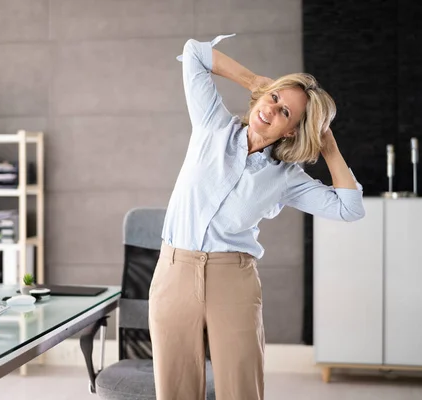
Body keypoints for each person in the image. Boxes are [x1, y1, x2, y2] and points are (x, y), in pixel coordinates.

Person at [148, 34, 365, 400]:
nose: (271, 109)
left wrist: (329, 147)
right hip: (174, 273)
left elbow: (350, 207)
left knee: (241, 391)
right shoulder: (212, 125)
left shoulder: (287, 178)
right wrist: (255, 82)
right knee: (175, 392)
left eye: (285, 112)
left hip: (233, 281)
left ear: (293, 130)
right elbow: (194, 53)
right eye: (275, 98)